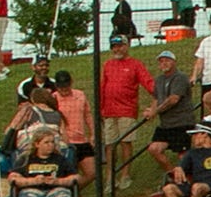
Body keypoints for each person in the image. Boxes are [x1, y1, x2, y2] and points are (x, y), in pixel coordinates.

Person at [9, 127, 81, 197]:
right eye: (46, 142)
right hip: (32, 190)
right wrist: (32, 181)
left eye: (52, 142)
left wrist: (58, 181)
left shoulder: (60, 159)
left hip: (56, 190)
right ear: (37, 144)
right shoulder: (26, 159)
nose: (50, 145)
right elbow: (13, 178)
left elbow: (76, 177)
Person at [100, 37, 154, 186]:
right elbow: (102, 87)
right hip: (109, 112)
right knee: (109, 144)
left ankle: (125, 175)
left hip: (127, 110)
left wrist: (157, 96)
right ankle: (110, 177)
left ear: (127, 46)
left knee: (125, 142)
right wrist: (100, 109)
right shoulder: (108, 64)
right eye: (114, 46)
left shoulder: (135, 64)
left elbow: (148, 82)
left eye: (120, 46)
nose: (117, 49)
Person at [141, 50, 196, 176]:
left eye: (167, 60)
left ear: (174, 62)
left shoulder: (180, 77)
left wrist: (155, 111)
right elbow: (156, 98)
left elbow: (173, 99)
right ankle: (172, 175)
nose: (164, 63)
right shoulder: (159, 80)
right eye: (161, 61)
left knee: (183, 155)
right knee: (154, 148)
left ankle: (188, 181)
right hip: (166, 125)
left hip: (182, 123)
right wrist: (151, 110)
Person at [51, 70, 96, 187]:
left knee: (92, 172)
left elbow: (88, 114)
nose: (64, 90)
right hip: (65, 142)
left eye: (66, 86)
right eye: (61, 88)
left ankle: (73, 190)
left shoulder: (80, 95)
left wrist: (93, 133)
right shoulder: (53, 99)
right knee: (68, 173)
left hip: (81, 139)